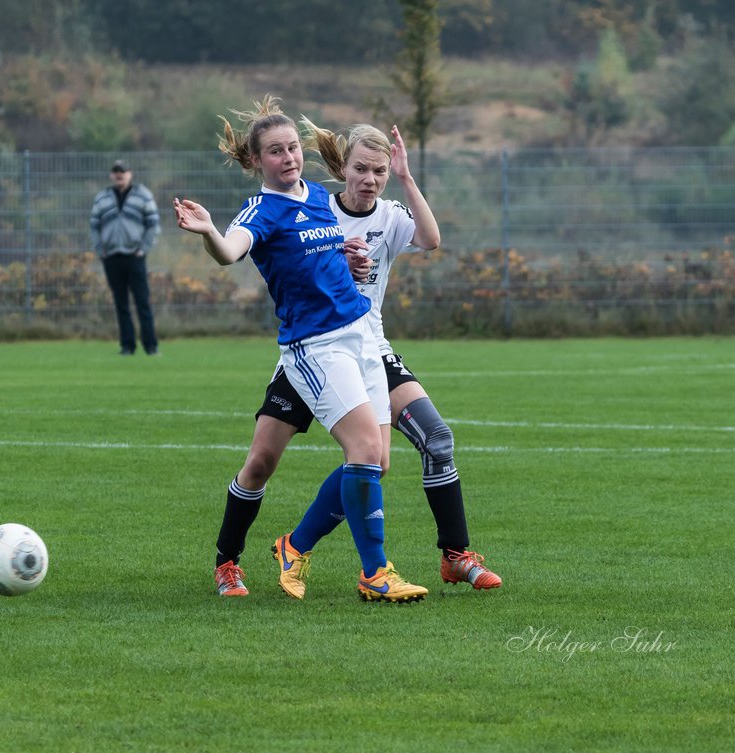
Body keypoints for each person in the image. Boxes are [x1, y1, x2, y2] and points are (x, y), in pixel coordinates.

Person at [208, 119, 502, 598]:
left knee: (411, 447)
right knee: (261, 462)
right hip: (312, 352)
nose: (369, 178)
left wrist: (405, 181)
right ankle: (230, 560)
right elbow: (264, 257)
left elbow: (430, 240)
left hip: (366, 347)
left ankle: (445, 556)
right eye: (361, 168)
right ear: (341, 168)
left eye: (379, 171)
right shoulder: (309, 206)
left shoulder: (377, 214)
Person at [174, 96, 428, 603]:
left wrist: (346, 261)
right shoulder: (261, 211)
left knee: (376, 463)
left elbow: (320, 253)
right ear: (255, 161)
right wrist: (208, 233)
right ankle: (364, 573)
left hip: (361, 338)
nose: (288, 157)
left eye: (292, 148)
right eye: (275, 151)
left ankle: (296, 547)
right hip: (316, 348)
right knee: (271, 462)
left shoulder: (317, 197)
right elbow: (230, 251)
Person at [89, 159, 160, 355]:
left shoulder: (143, 195)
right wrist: (100, 250)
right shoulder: (102, 198)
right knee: (121, 303)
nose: (119, 175)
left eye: (123, 171)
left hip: (135, 256)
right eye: (116, 171)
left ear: (130, 174)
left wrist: (143, 248)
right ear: (112, 175)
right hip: (111, 256)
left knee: (142, 302)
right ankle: (127, 346)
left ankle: (151, 346)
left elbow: (153, 224)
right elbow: (94, 226)